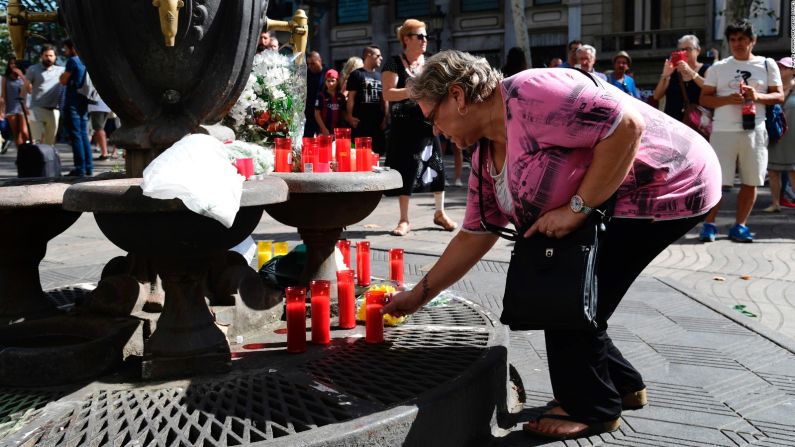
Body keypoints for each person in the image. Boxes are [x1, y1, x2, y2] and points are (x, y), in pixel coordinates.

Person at [382, 50, 721, 440]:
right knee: (574, 295)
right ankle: (624, 385)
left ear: (457, 96)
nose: (435, 131)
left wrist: (577, 208)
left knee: (567, 298)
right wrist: (416, 297)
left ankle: (594, 408)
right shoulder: (483, 155)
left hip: (671, 182)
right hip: (619, 198)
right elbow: (475, 234)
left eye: (432, 117)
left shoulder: (532, 94)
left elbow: (627, 126)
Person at [698, 20, 783, 242]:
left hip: (755, 130)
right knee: (717, 180)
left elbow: (779, 96)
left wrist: (757, 97)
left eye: (742, 39)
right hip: (723, 131)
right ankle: (708, 225)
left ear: (752, 41)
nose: (737, 44)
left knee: (751, 179)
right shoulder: (718, 67)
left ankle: (740, 226)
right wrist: (727, 99)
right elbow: (704, 98)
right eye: (733, 39)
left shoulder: (767, 64)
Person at [382, 18, 457, 236]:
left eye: (426, 36)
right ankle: (404, 219)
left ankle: (440, 213)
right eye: (420, 36)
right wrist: (413, 90)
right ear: (406, 39)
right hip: (404, 125)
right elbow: (388, 93)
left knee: (436, 166)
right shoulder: (394, 62)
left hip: (428, 124)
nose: (425, 40)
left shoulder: (430, 64)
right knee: (406, 169)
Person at [653, 35, 711, 121]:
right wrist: (665, 75)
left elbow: (709, 87)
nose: (683, 52)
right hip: (673, 123)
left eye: (688, 49)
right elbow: (657, 96)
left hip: (696, 125)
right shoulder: (673, 70)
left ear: (698, 51)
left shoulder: (706, 69)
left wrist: (690, 72)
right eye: (681, 50)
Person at [764, 57, 795, 212]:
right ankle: (775, 203)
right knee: (773, 169)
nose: (781, 69)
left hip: (793, 135)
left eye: (785, 67)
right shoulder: (773, 88)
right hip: (775, 132)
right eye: (779, 66)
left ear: (793, 71)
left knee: (793, 170)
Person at [60, 39, 93, 177]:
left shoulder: (73, 60)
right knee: (84, 134)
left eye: (65, 49)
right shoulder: (87, 59)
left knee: (76, 135)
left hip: (73, 100)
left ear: (72, 48)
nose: (64, 51)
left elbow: (63, 80)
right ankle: (88, 167)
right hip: (84, 99)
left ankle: (79, 168)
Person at [346, 45, 387, 155]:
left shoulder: (381, 76)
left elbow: (385, 98)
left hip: (377, 123)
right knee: (361, 153)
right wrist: (350, 116)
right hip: (361, 123)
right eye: (378, 55)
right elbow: (351, 97)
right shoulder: (356, 74)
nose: (381, 58)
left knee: (378, 154)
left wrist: (386, 117)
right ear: (369, 55)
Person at [25, 44, 64, 145]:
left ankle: (48, 160)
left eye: (51, 56)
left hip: (54, 110)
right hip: (35, 108)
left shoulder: (61, 71)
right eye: (46, 55)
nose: (48, 58)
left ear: (55, 57)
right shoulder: (33, 69)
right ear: (41, 56)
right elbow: (25, 87)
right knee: (36, 139)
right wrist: (23, 104)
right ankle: (35, 159)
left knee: (50, 141)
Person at [1, 56, 30, 147]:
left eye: (15, 63)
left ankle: (28, 150)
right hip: (11, 108)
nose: (13, 65)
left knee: (25, 132)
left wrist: (21, 75)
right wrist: (1, 111)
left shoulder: (24, 77)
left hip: (23, 108)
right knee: (16, 133)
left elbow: (30, 90)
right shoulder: (5, 78)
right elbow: (3, 96)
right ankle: (21, 156)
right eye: (11, 63)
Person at [313, 69, 347, 136]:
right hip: (324, 132)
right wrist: (324, 129)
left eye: (333, 81)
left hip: (338, 132)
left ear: (337, 81)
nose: (330, 83)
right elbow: (317, 114)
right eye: (328, 81)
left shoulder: (341, 97)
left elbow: (344, 114)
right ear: (325, 82)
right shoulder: (320, 96)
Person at [304, 51, 326, 137]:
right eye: (308, 64)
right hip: (309, 112)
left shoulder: (327, 73)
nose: (310, 66)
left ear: (320, 61)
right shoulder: (306, 74)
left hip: (323, 112)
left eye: (313, 63)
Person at [89, 94, 112, 160]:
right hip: (103, 105)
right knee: (100, 129)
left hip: (97, 106)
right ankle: (104, 152)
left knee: (99, 129)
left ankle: (104, 153)